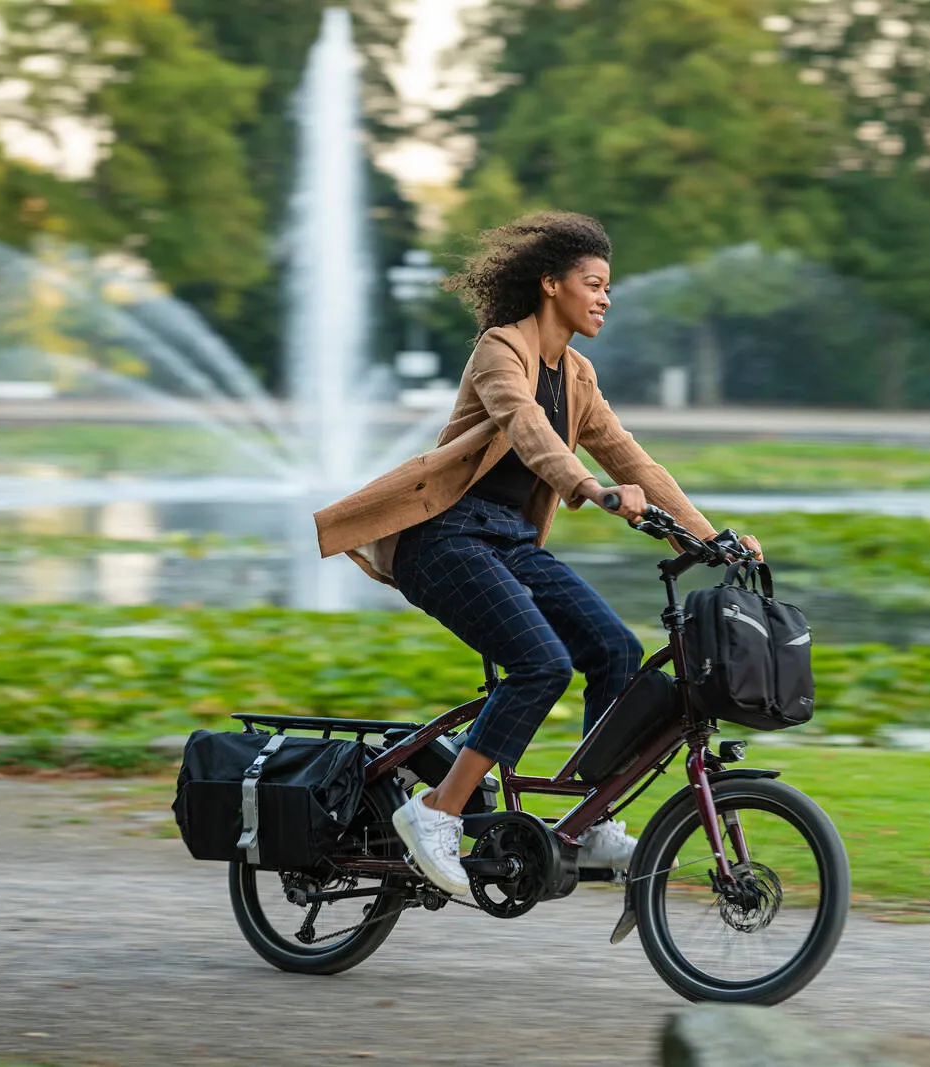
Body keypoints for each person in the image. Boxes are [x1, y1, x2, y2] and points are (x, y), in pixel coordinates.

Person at [313, 212, 762, 896]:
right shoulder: (501, 349)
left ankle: (589, 820)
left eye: (608, 286)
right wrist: (587, 487)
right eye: (594, 283)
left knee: (614, 649)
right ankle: (435, 809)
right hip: (444, 537)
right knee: (540, 663)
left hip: (509, 541)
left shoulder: (577, 375)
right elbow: (526, 428)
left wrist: (709, 536)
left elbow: (630, 455)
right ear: (551, 284)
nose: (605, 297)